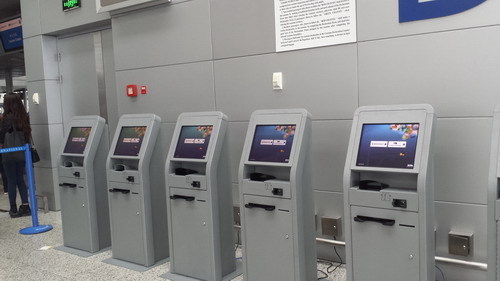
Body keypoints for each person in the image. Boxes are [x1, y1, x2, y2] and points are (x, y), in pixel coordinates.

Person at [0, 93, 31, 218]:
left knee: (11, 180)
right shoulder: (24, 117)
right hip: (22, 153)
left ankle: (13, 208)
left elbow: (1, 136)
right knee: (20, 180)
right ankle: (25, 206)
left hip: (8, 153)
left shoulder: (6, 118)